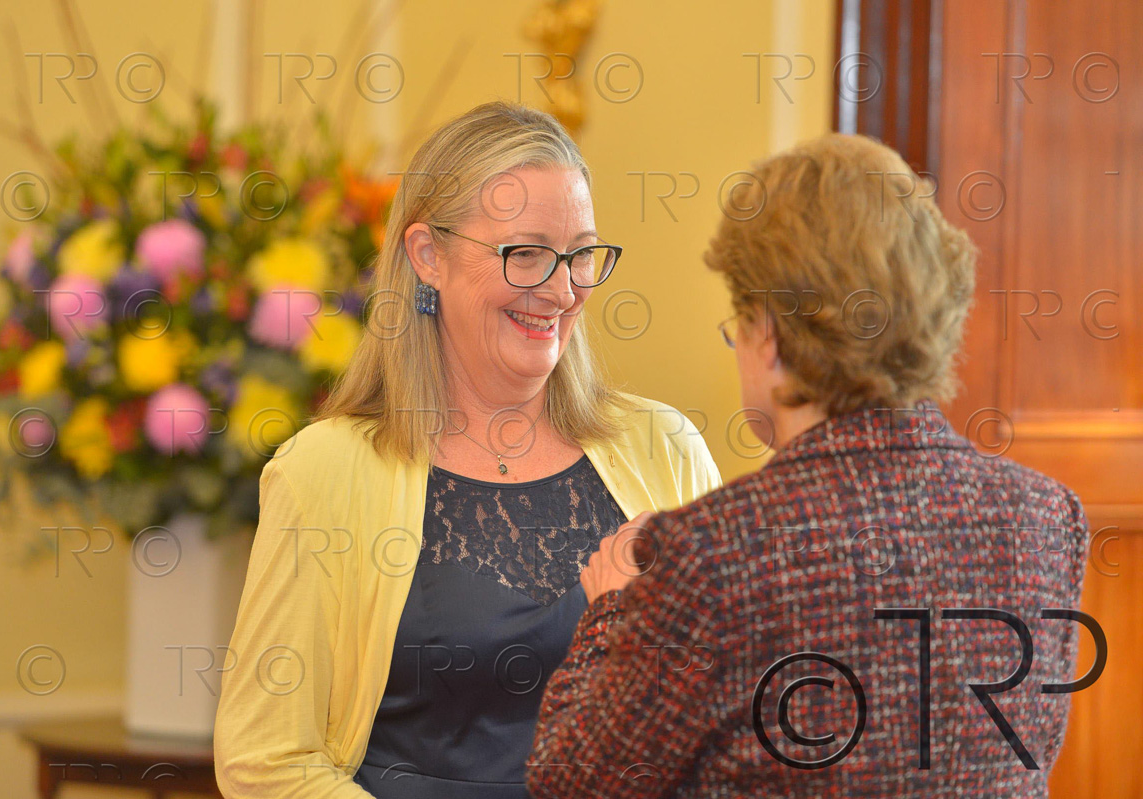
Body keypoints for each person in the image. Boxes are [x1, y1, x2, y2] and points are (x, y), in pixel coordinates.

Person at [527, 132, 1093, 797]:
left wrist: (612, 614)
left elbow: (571, 784)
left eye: (737, 327)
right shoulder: (1047, 519)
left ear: (769, 335)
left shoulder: (711, 553)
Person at [212, 100, 721, 799]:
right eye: (526, 253)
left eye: (580, 255)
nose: (562, 289)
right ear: (428, 256)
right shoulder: (323, 473)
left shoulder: (666, 449)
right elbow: (264, 761)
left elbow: (728, 720)